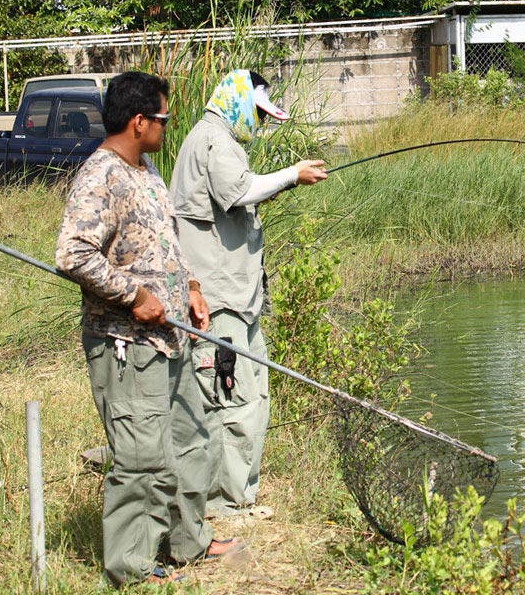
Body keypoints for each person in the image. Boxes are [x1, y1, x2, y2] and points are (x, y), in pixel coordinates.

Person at [56, 71, 242, 587]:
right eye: (162, 117)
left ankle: (188, 541)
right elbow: (72, 254)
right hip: (127, 346)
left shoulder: (147, 169)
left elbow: (166, 244)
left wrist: (193, 288)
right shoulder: (101, 176)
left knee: (189, 443)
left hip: (173, 335)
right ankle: (132, 566)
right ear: (139, 122)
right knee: (141, 458)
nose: (167, 125)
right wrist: (134, 296)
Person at [170, 69, 328, 519]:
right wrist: (291, 175)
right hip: (217, 301)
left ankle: (241, 496)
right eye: (257, 114)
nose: (259, 123)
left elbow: (237, 196)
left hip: (242, 300)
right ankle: (223, 506)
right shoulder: (213, 140)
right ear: (236, 100)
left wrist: (279, 184)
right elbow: (240, 189)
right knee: (230, 400)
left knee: (255, 397)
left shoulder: (223, 141)